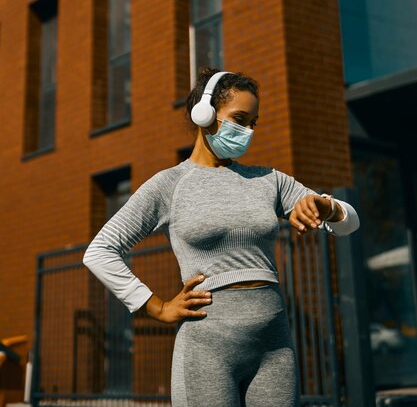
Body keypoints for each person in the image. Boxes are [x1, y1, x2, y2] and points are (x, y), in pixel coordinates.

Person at [83, 68, 360, 407]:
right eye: (239, 119)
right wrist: (156, 307)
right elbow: (100, 251)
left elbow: (349, 223)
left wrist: (326, 206)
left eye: (253, 123)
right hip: (207, 347)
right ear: (205, 114)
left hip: (274, 347)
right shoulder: (170, 184)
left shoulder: (268, 180)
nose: (247, 131)